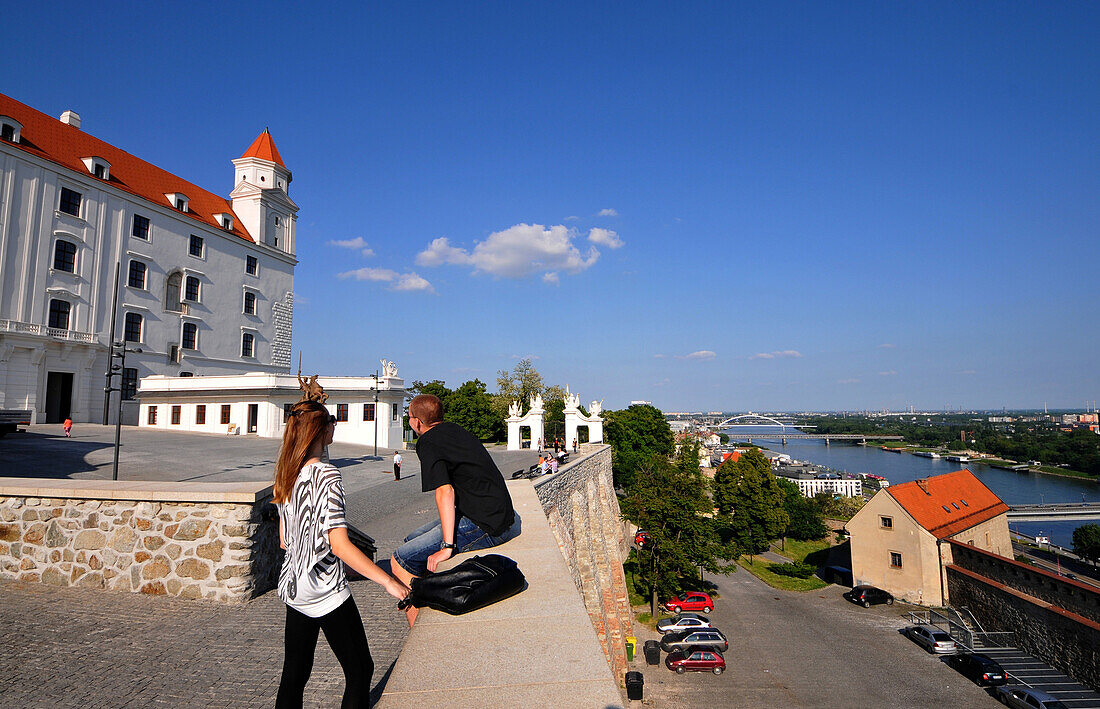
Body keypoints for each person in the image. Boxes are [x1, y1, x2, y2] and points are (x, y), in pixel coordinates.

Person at [273, 400, 409, 709]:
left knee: (294, 675)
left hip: (295, 586)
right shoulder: (327, 475)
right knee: (360, 669)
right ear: (320, 429)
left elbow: (284, 540)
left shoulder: (286, 474)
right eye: (332, 420)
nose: (336, 424)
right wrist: (388, 582)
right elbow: (340, 545)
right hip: (324, 588)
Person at [390, 394, 522, 626]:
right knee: (412, 539)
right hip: (500, 515)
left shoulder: (428, 441)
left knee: (401, 560)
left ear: (416, 422)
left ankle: (420, 632)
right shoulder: (456, 430)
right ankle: (431, 589)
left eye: (409, 416)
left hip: (486, 525)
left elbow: (445, 492)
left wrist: (447, 546)